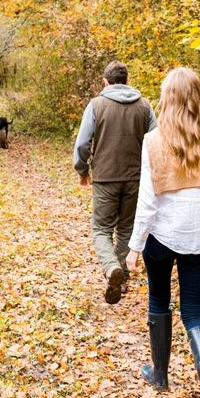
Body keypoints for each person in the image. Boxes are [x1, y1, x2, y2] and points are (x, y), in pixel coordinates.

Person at [126, 66, 200, 398]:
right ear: (196, 98)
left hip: (163, 238)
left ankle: (160, 374)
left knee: (159, 300)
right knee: (194, 313)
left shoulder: (153, 141)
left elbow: (147, 204)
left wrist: (135, 247)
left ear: (167, 98)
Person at [74, 60, 156, 304]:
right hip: (136, 179)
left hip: (105, 178)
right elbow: (156, 140)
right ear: (127, 81)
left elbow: (82, 144)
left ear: (105, 82)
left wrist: (82, 170)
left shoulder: (96, 105)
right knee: (126, 229)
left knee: (101, 228)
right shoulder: (144, 106)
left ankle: (111, 269)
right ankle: (121, 274)